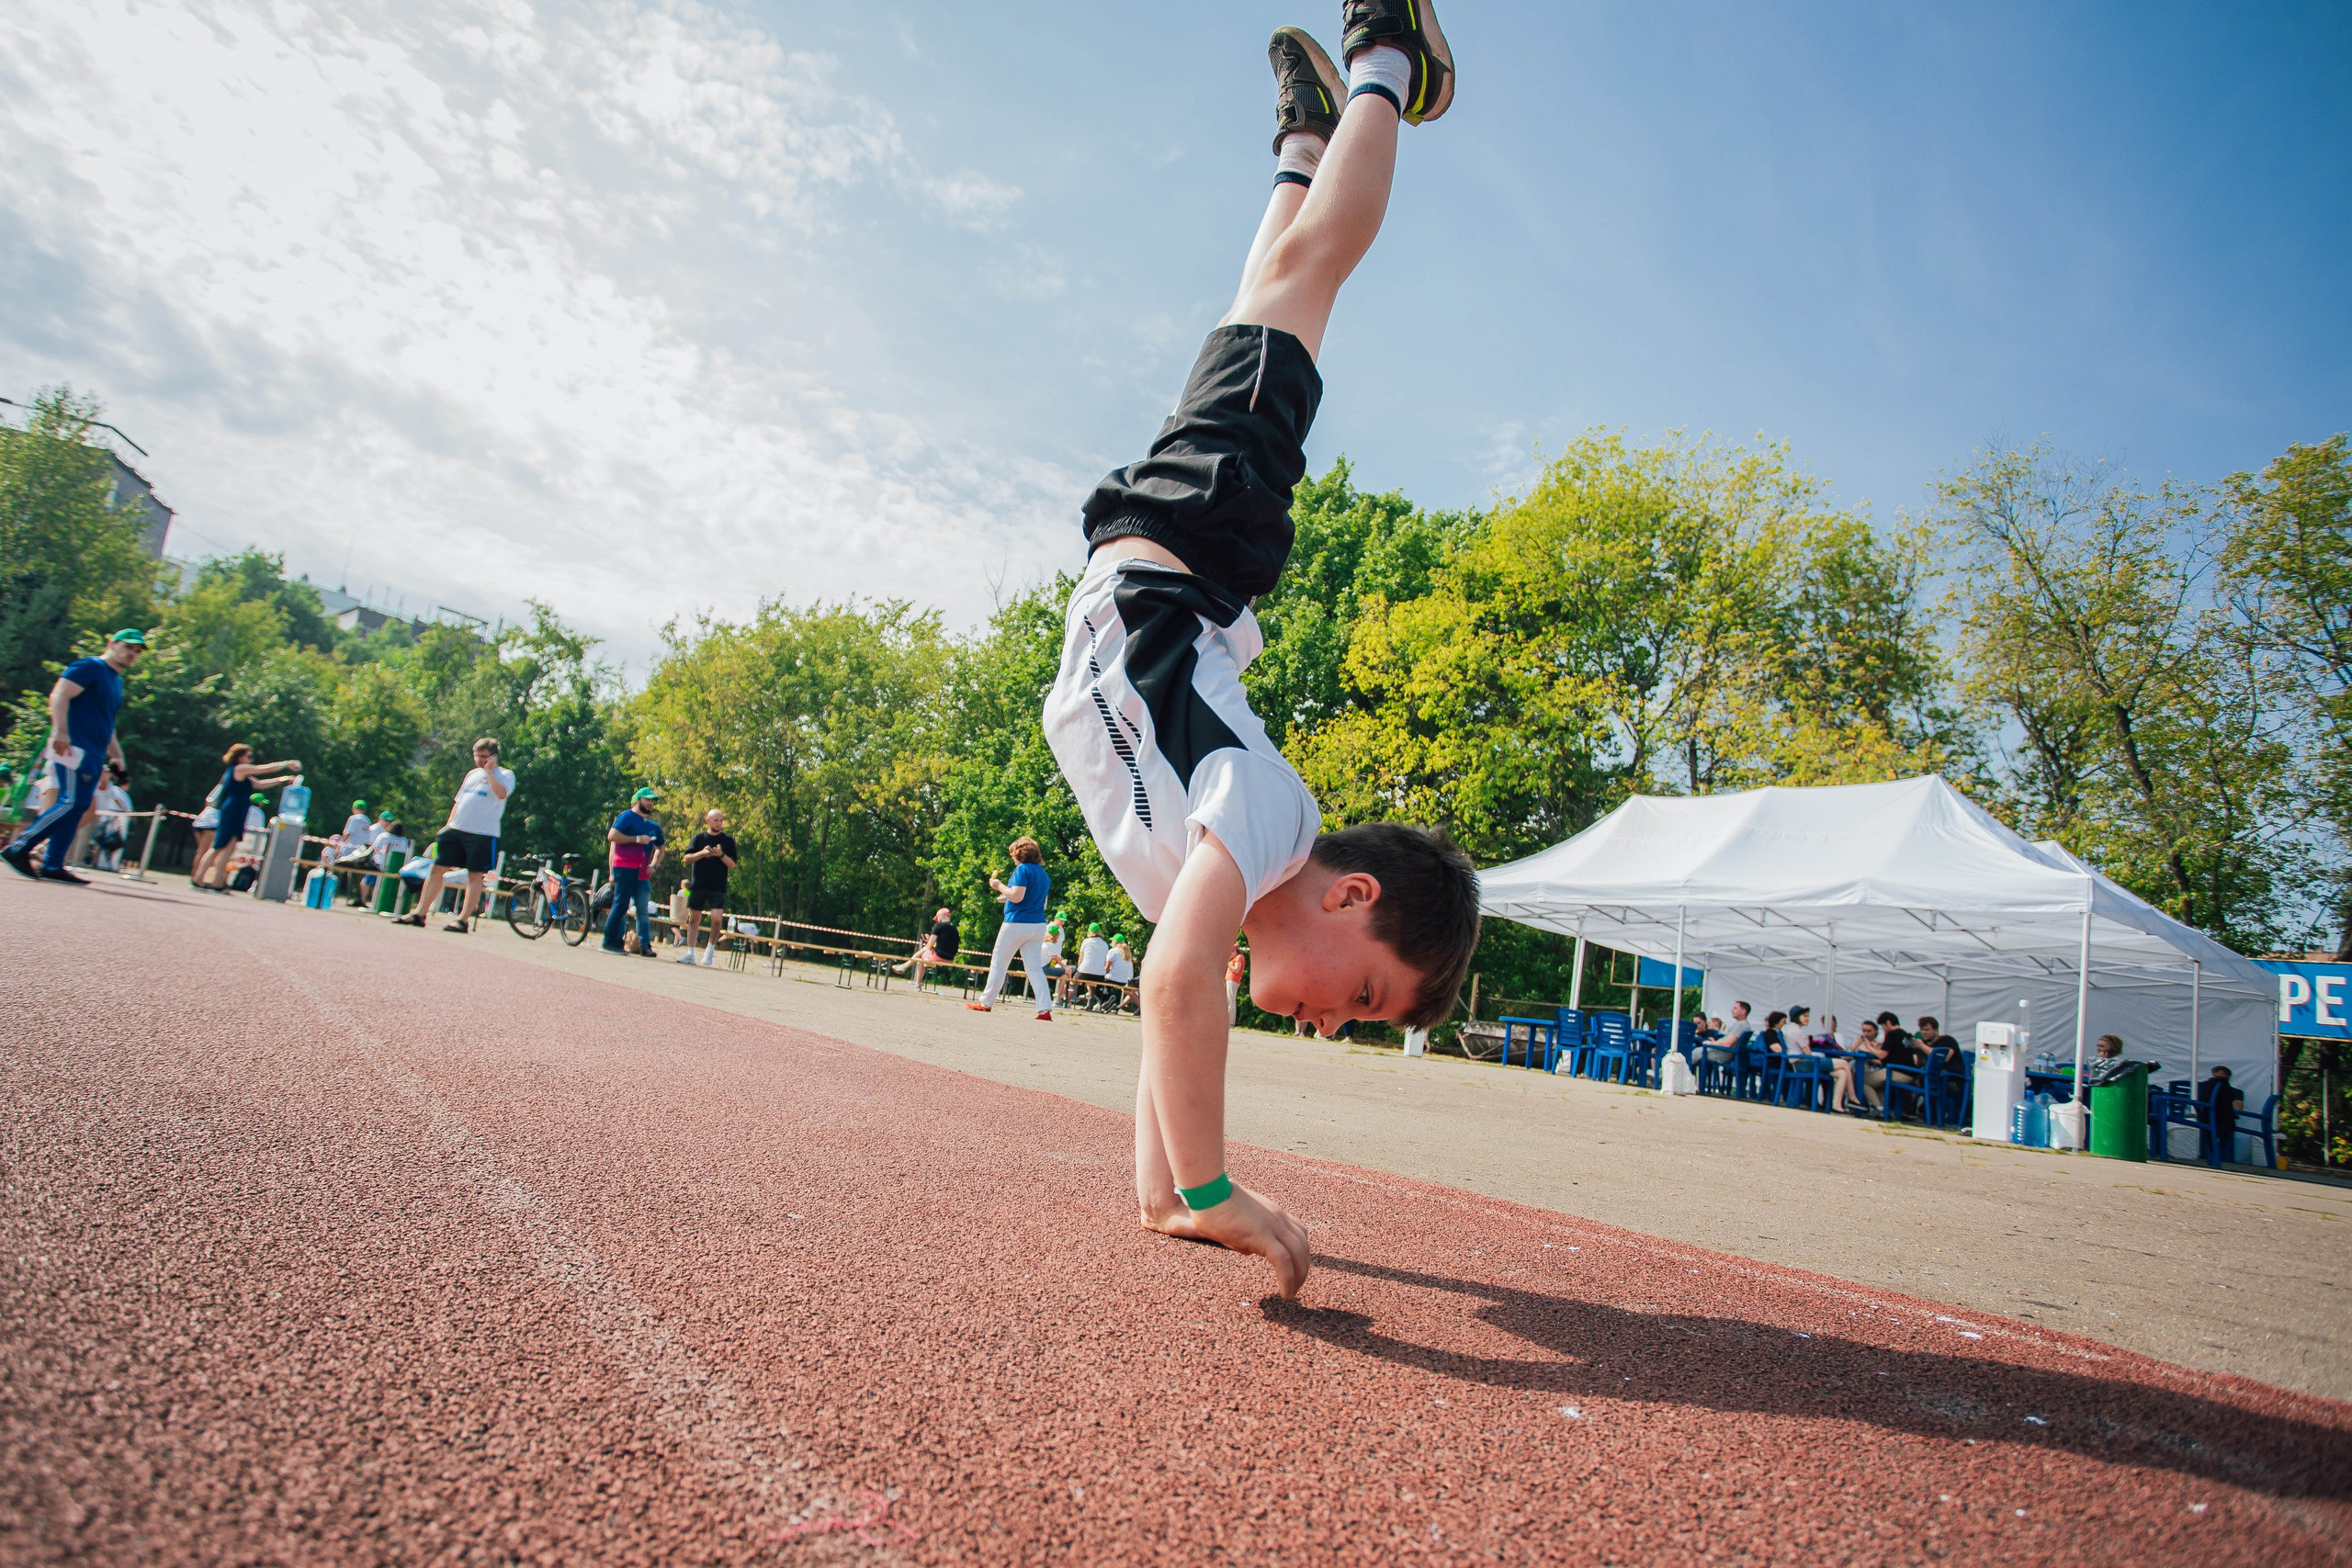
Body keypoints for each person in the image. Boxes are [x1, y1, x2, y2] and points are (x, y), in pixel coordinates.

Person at [1036, 6, 1477, 1299]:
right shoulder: (1277, 818)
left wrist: (1169, 1195)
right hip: (1195, 539)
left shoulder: (1213, 882)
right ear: (1352, 898)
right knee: (1311, 280)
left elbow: (1179, 996)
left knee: (1260, 299)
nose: (1333, 1025)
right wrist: (1223, 1190)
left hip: (1167, 553)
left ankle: (1299, 142)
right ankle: (1391, 59)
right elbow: (1178, 989)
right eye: (1366, 997)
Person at [5, 629, 149, 885]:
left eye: (137, 651)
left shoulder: (115, 680)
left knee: (80, 806)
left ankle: (52, 864)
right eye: (128, 647)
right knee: (71, 802)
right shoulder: (89, 666)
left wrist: (117, 755)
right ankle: (18, 848)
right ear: (112, 643)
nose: (132, 654)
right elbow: (60, 694)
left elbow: (107, 722)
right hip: (73, 747)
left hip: (93, 752)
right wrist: (60, 730)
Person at [394, 739, 514, 931]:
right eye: (477, 756)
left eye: (484, 757)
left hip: (483, 833)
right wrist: (448, 826)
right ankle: (420, 913)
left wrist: (490, 772)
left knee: (474, 876)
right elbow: (459, 800)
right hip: (457, 829)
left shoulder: (506, 775)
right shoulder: (472, 775)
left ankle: (462, 919)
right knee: (436, 869)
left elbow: (501, 794)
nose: (480, 760)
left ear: (493, 757)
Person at [190, 742, 302, 892]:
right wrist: (287, 764)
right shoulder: (239, 769)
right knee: (218, 847)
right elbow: (264, 769)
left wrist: (282, 780)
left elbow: (259, 784)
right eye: (248, 756)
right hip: (233, 811)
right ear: (239, 756)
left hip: (237, 811)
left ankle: (214, 882)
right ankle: (202, 881)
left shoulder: (241, 774)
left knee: (227, 848)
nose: (251, 759)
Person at [966, 837, 1055, 1018]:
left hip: (1017, 923)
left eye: (1013, 854)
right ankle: (1044, 1009)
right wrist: (1008, 896)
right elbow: (1041, 903)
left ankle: (986, 1002)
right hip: (1038, 924)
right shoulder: (1043, 875)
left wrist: (999, 887)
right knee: (1034, 968)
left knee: (999, 963)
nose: (1012, 858)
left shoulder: (1021, 869)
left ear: (1020, 854)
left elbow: (1016, 896)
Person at [599, 786, 666, 954]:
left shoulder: (653, 826)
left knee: (638, 909)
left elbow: (661, 848)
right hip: (624, 867)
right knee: (620, 905)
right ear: (638, 800)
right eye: (647, 800)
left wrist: (654, 864)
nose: (650, 803)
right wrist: (636, 839)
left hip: (641, 872)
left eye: (652, 801)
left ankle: (640, 945)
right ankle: (609, 942)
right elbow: (612, 836)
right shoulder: (627, 816)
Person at [675, 808, 739, 966]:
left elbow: (732, 864)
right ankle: (690, 953)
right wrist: (703, 853)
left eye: (721, 820)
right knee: (694, 919)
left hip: (718, 886)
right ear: (708, 821)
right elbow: (687, 858)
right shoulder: (698, 838)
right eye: (716, 820)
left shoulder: (728, 840)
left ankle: (710, 949)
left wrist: (720, 855)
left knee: (717, 919)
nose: (719, 823)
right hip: (698, 885)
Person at [1829, 1020, 1885, 1113]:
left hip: (1872, 1071)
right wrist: (1854, 1046)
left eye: (1869, 1031)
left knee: (1860, 1079)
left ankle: (1875, 1106)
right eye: (1864, 1031)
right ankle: (1850, 1103)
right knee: (1847, 1073)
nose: (1866, 1033)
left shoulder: (1880, 1045)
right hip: (1857, 1069)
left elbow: (1880, 1061)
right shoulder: (1859, 1043)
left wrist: (1869, 1054)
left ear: (1875, 1031)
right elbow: (1847, 1057)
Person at [85, 764, 133, 871]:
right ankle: (92, 862)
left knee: (102, 842)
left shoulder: (112, 787)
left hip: (104, 816)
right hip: (106, 817)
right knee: (99, 841)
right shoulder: (115, 789)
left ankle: (102, 863)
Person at [2198, 1065, 2246, 1164]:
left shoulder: (2234, 1092)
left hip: (2223, 1120)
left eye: (2218, 1078)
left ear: (2227, 1078)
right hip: (2211, 1118)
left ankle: (2224, 1159)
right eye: (2214, 1077)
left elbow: (2238, 1108)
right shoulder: (2206, 1087)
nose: (2215, 1080)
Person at [1073, 922, 1112, 1009]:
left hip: (1084, 971)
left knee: (1072, 981)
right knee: (1091, 981)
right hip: (1099, 975)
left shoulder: (1086, 941)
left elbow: (1080, 959)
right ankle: (1090, 1002)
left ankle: (1069, 998)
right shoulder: (1105, 944)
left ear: (1089, 932)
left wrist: (1079, 969)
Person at [1106, 933, 1137, 1012]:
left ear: (1115, 942)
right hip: (1125, 980)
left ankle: (1104, 1002)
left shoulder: (1112, 951)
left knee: (1101, 983)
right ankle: (1116, 1007)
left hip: (1112, 978)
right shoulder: (1128, 953)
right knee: (1125, 990)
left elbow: (1107, 968)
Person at [1226, 943, 1248, 1027]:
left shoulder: (1239, 957)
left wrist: (1228, 963)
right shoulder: (1236, 958)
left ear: (1235, 950)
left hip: (1233, 979)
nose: (1230, 955)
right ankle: (1229, 1022)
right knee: (1229, 1001)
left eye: (1231, 953)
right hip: (1231, 979)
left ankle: (1230, 1022)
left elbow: (1237, 969)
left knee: (1231, 1002)